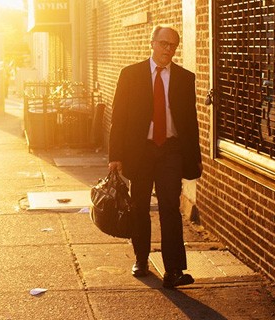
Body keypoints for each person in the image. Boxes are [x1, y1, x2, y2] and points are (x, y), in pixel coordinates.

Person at [108, 25, 202, 289]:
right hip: (141, 151)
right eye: (163, 44)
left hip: (170, 150)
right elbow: (119, 118)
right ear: (152, 43)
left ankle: (173, 270)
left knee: (170, 208)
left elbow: (189, 121)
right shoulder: (131, 75)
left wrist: (194, 157)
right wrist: (115, 155)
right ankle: (141, 258)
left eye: (173, 45)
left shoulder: (185, 78)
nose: (168, 50)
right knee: (139, 206)